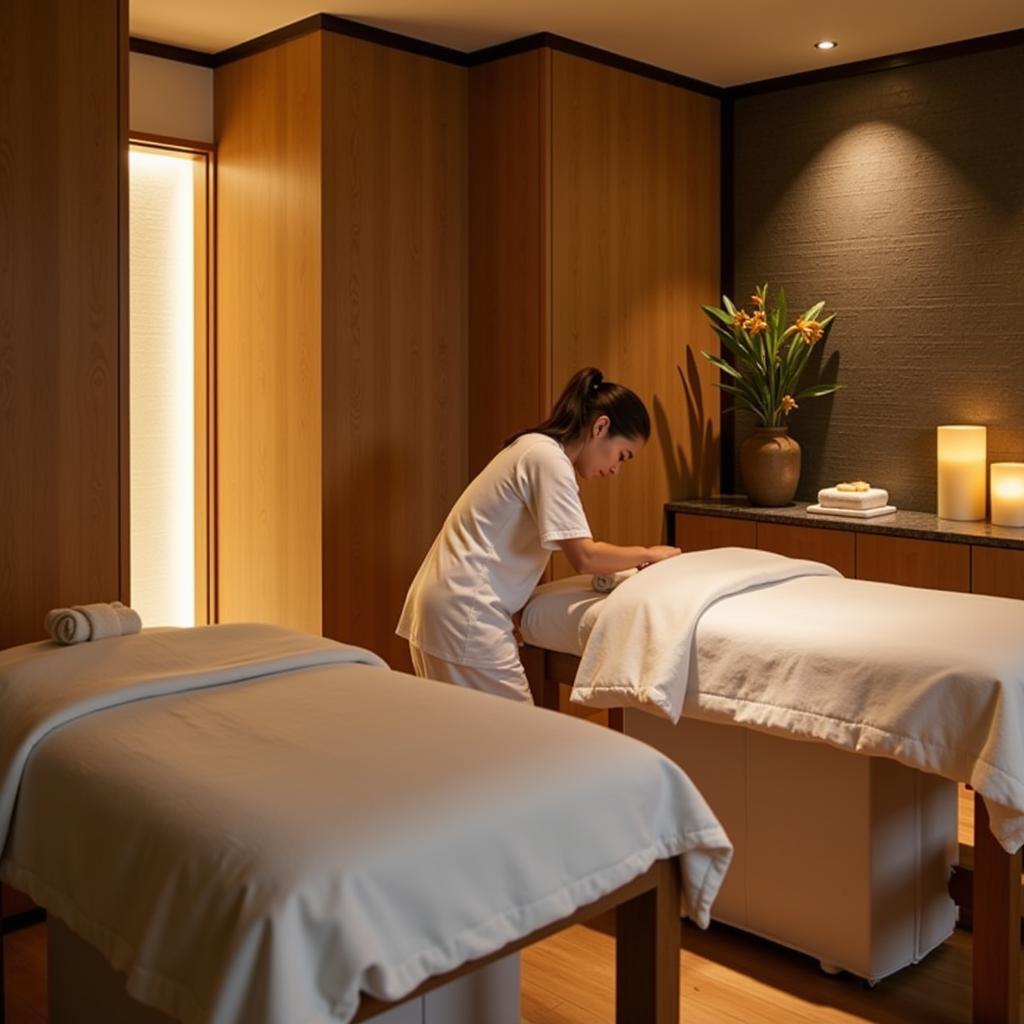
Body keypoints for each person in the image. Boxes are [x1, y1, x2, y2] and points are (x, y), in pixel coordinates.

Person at [396, 367, 681, 703]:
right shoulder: (547, 459)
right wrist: (651, 553)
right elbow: (585, 557)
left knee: (465, 739)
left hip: (443, 606)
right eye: (622, 455)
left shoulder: (531, 449)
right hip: (465, 614)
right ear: (601, 426)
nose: (616, 469)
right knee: (520, 738)